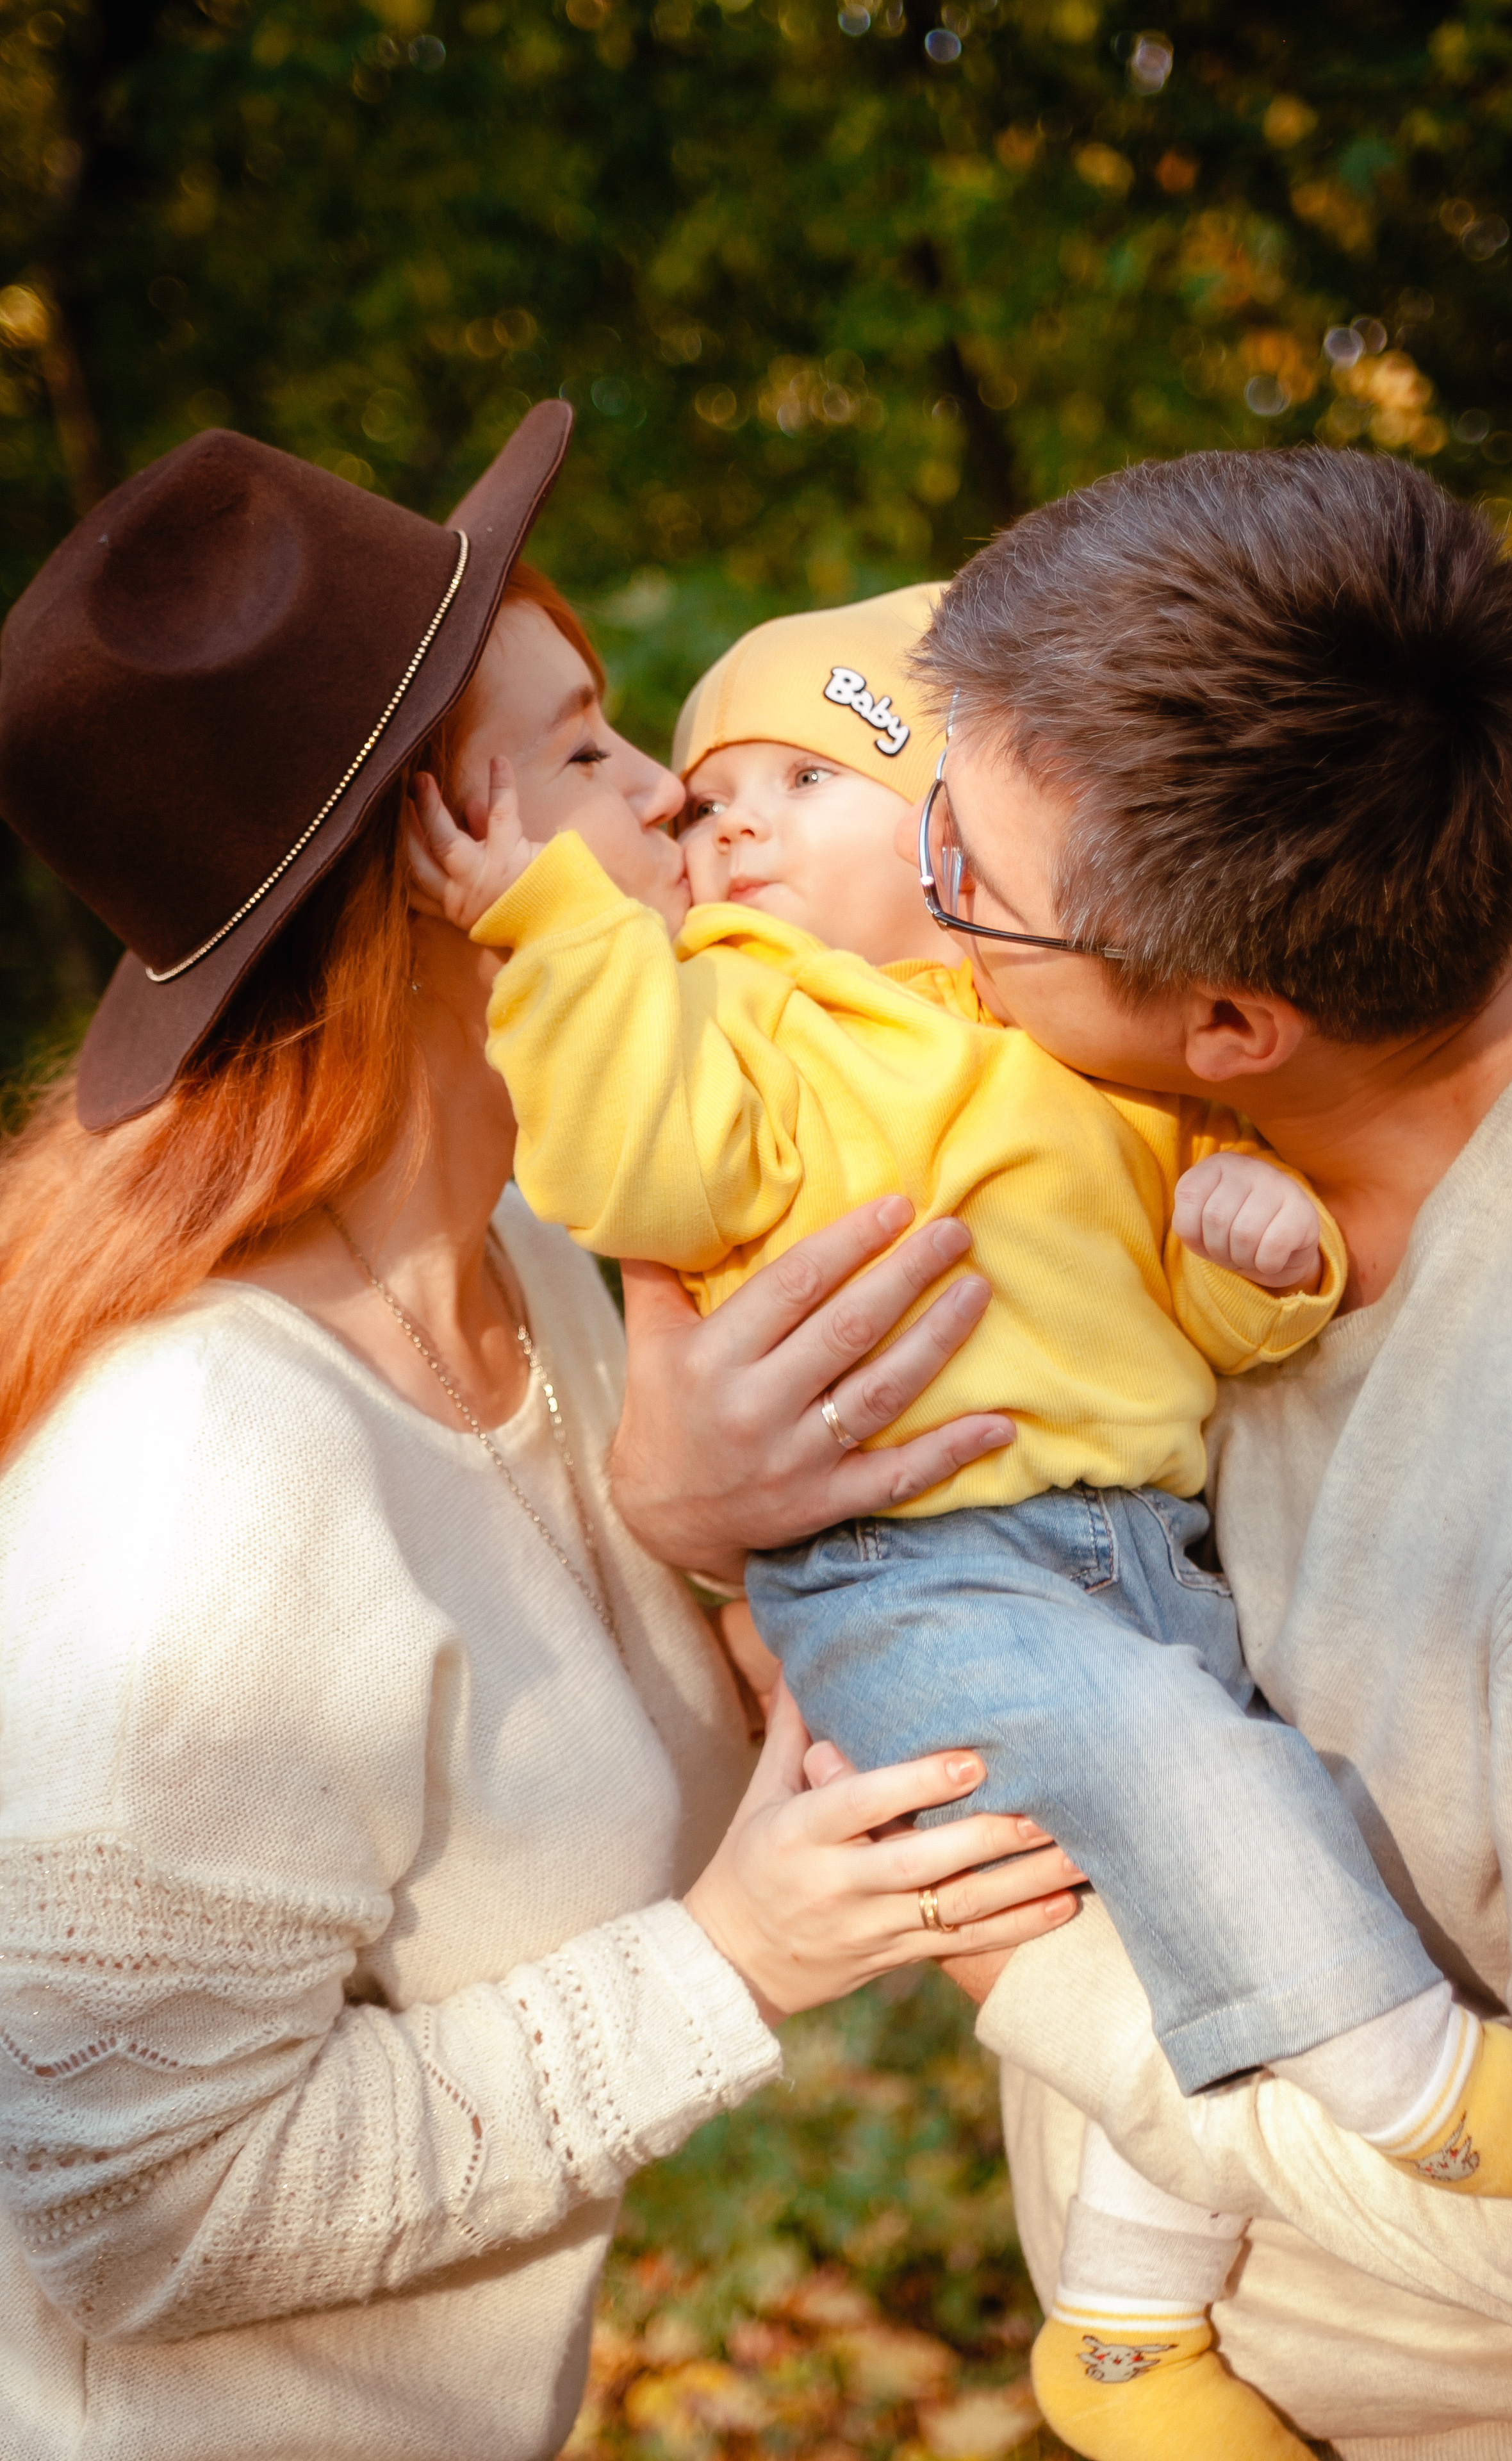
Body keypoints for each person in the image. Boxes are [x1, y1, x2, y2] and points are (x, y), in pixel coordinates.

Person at [410, 527, 1512, 2461]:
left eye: (960, 878)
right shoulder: (1239, 858)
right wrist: (691, 1510)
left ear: (1226, 1023)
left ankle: (1345, 2151)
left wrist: (1027, 1978)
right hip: (979, 1631)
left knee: (1206, 1769)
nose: (921, 892)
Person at [0, 407, 1085, 2461]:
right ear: (433, 876)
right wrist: (732, 1961)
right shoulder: (197, 1480)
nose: (681, 792)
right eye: (591, 750)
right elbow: (122, 2218)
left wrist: (687, 1524)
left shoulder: (554, 1270)